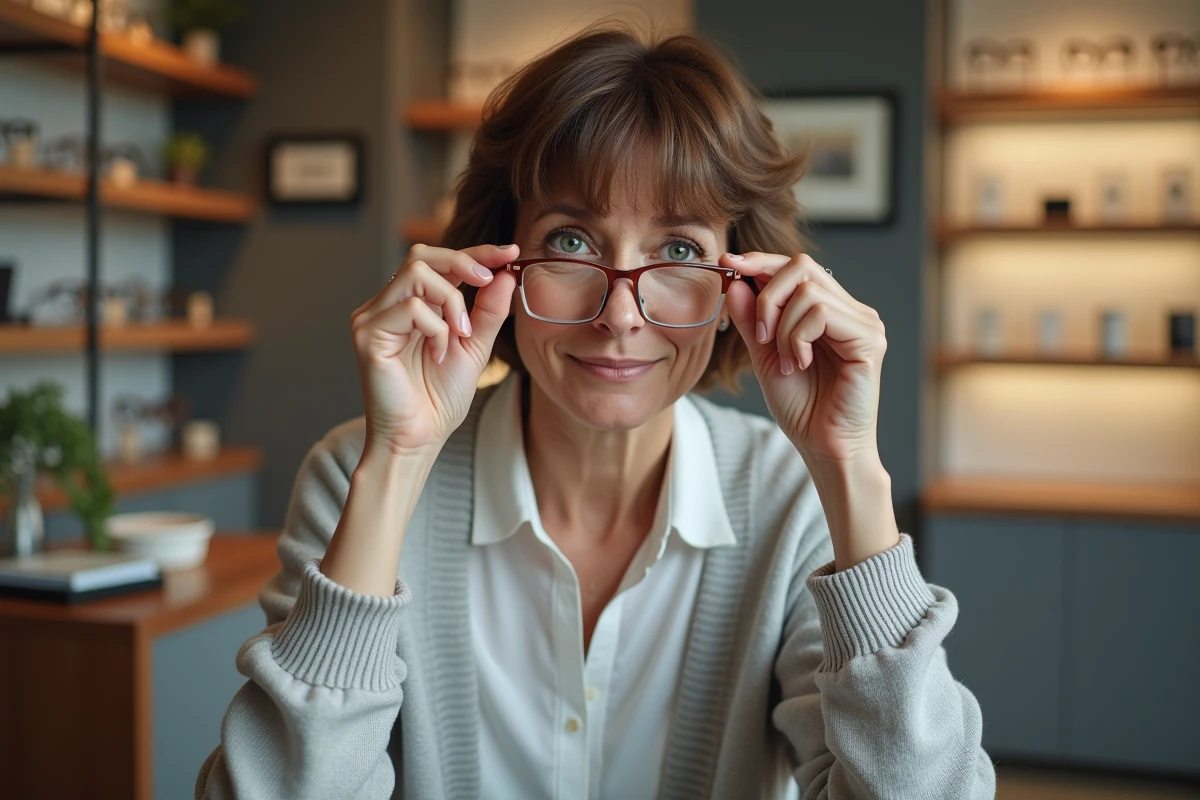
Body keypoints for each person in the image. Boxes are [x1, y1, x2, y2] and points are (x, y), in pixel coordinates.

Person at [196, 23, 995, 800]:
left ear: (739, 289)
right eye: (571, 240)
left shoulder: (793, 500)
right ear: (494, 265)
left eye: (679, 250)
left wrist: (848, 463)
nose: (620, 315)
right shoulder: (355, 475)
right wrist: (399, 462)